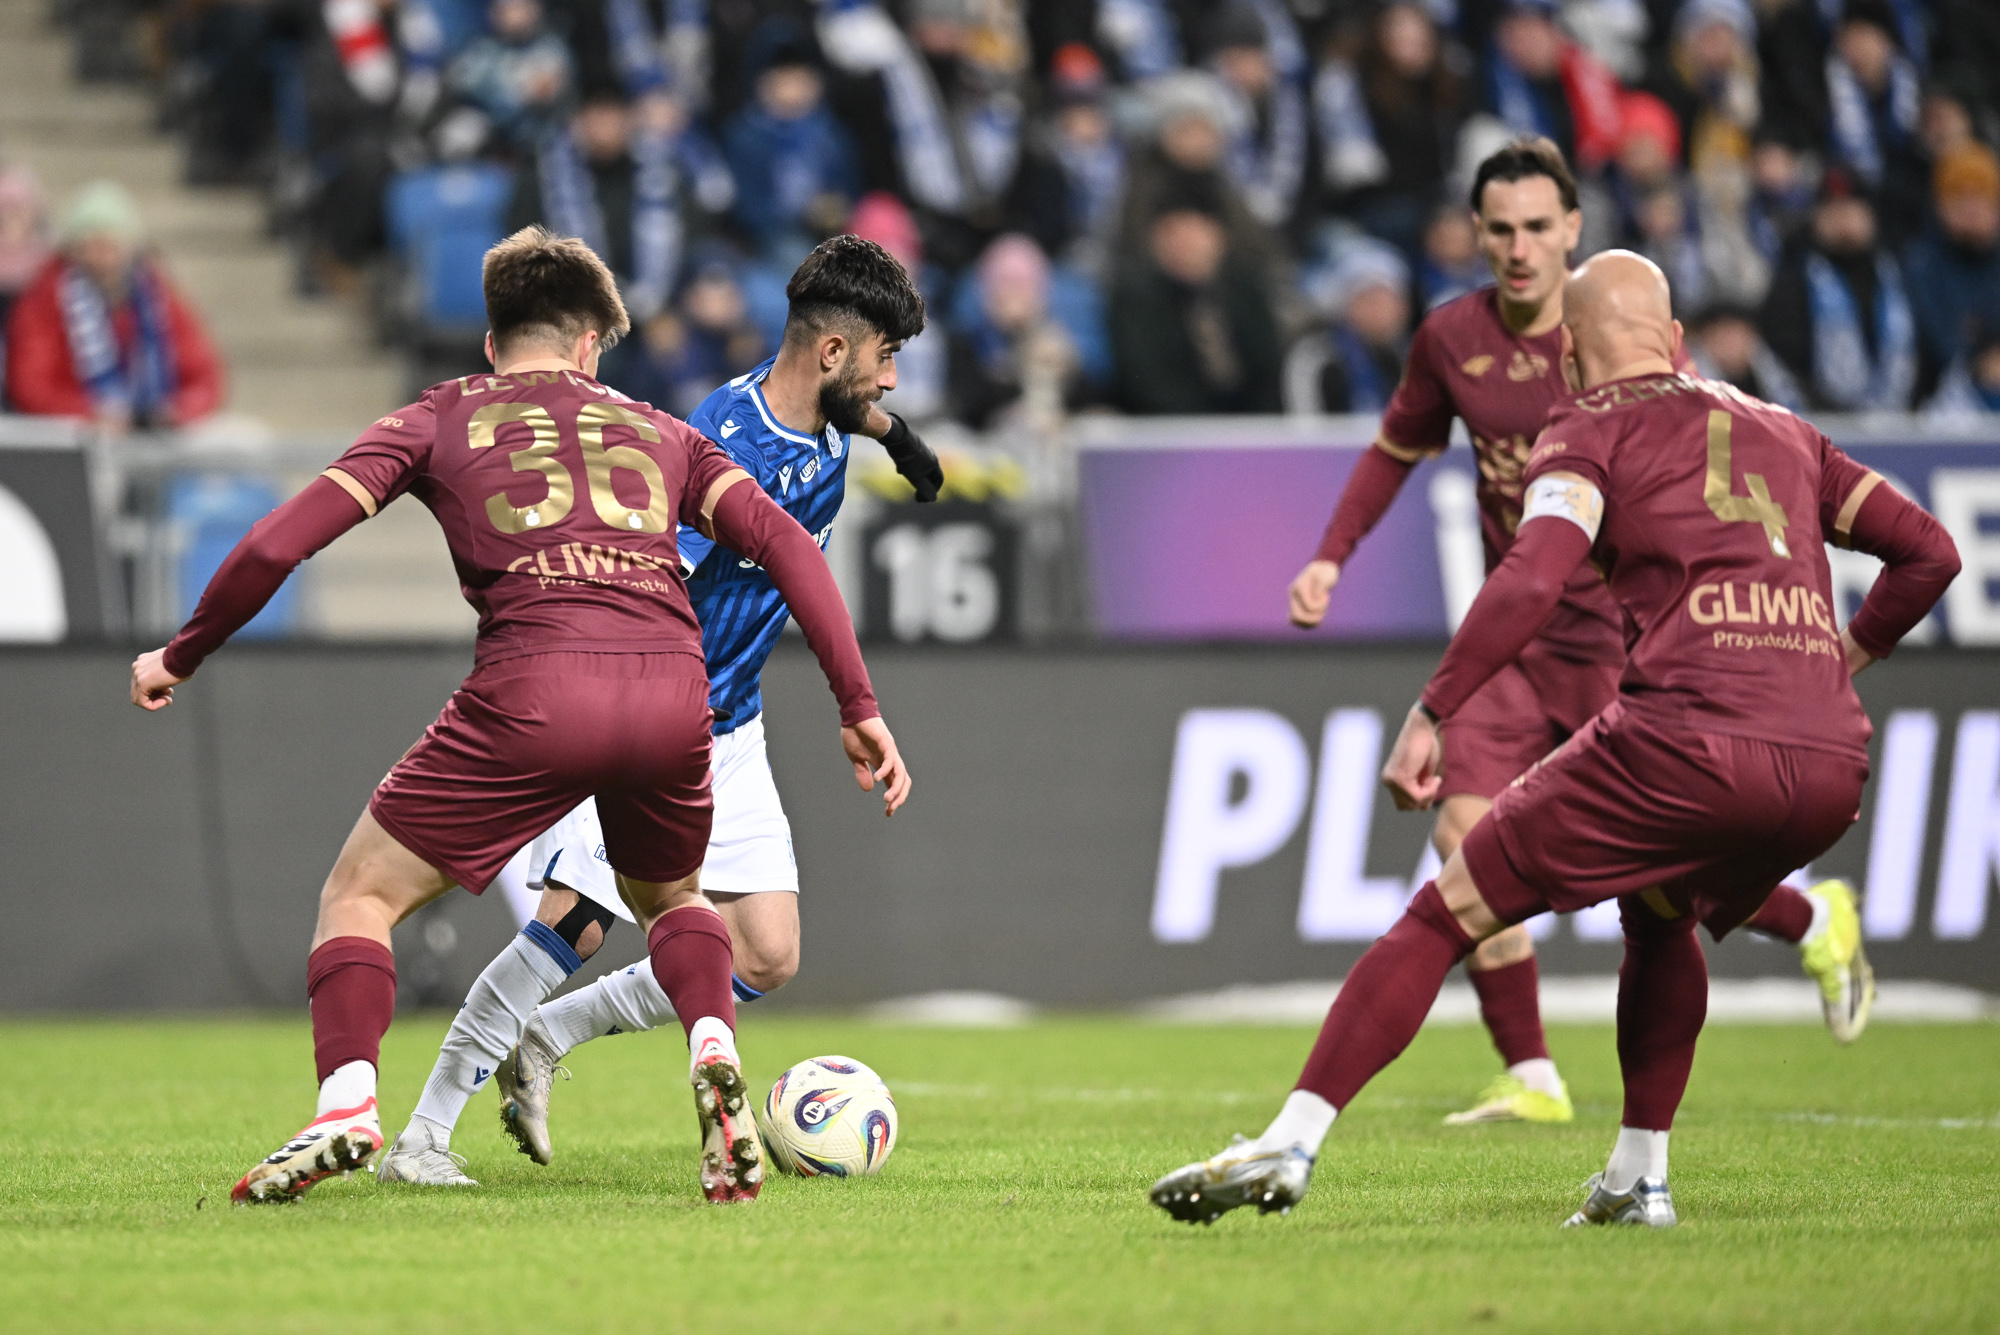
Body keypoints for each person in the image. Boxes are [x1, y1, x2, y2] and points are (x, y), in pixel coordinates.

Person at [1157, 249, 1960, 1228]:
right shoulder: (1787, 430)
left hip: (1686, 740)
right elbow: (1930, 552)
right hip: (1832, 764)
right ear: (1674, 339)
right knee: (1658, 910)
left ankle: (1291, 1138)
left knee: (1444, 913)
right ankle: (1639, 1177)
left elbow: (1533, 577)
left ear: (1570, 355)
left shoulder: (1586, 426)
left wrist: (1431, 711)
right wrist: (1840, 657)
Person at [128, 228, 914, 1206]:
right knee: (674, 903)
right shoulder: (661, 429)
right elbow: (791, 551)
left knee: (360, 895)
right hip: (677, 695)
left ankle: (348, 1106)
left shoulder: (437, 415)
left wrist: (181, 651)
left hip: (538, 687)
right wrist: (858, 705)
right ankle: (711, 1046)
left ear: (493, 338)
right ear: (589, 344)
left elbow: (275, 543)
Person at [1285, 139, 1852, 1130]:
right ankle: (1533, 1073)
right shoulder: (1449, 339)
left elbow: (1716, 465)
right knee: (1461, 836)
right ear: (1475, 233)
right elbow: (1393, 451)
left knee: (1671, 876)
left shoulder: (1624, 342)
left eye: (1538, 227)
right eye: (1500, 229)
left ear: (1572, 230)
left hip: (1626, 641)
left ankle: (1811, 918)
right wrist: (1331, 554)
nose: (1518, 248)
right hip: (1513, 635)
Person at [372, 234, 945, 1184]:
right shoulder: (724, 441)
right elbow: (637, 572)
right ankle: (422, 1136)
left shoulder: (832, 413)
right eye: (886, 359)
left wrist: (900, 438)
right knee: (574, 923)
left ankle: (547, 1035)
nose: (890, 380)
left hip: (735, 725)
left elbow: (858, 414)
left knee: (767, 953)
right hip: (645, 715)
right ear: (833, 351)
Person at [5, 181, 224, 430]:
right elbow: (31, 385)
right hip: (75, 433)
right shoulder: (46, 298)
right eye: (91, 246)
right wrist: (89, 414)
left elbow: (204, 376)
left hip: (151, 428)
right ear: (73, 251)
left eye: (111, 246)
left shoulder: (158, 298)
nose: (102, 258)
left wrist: (177, 411)